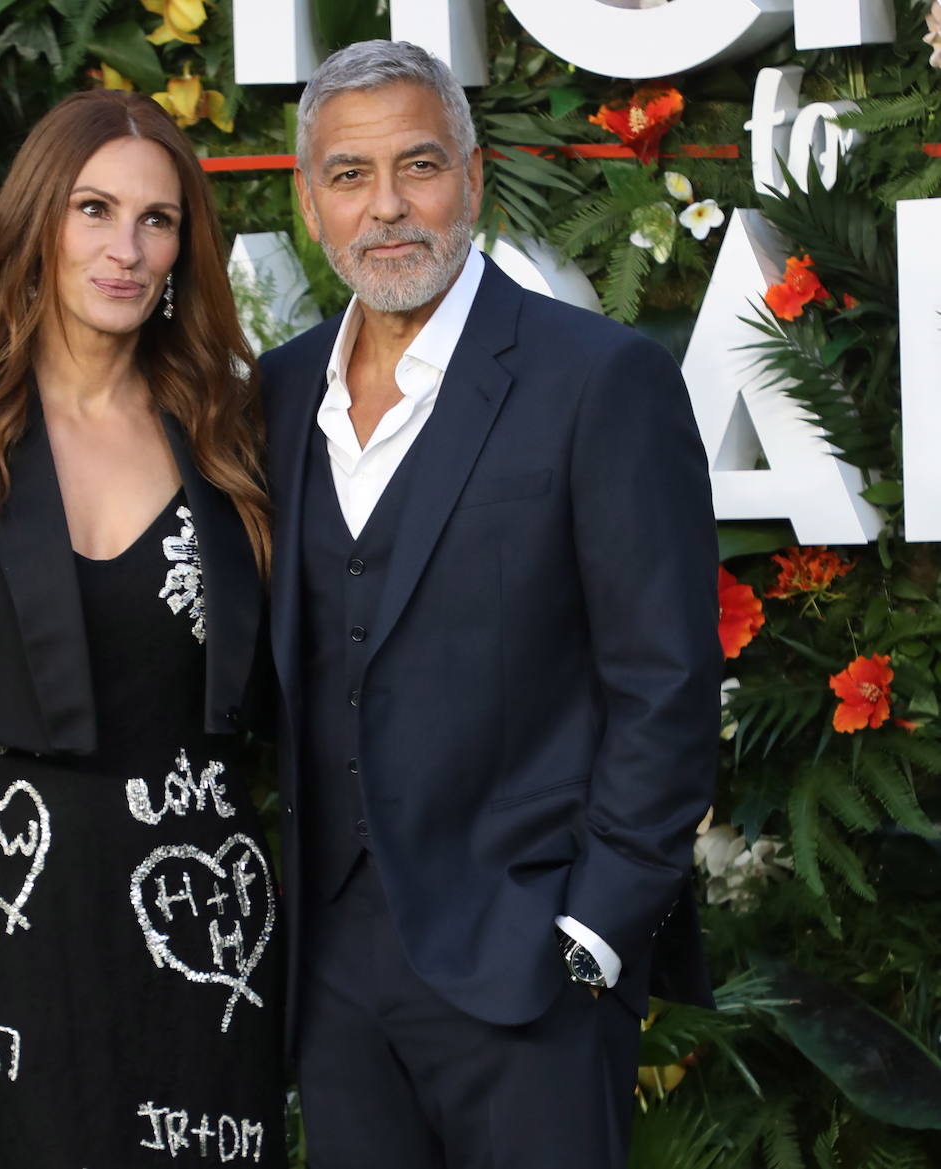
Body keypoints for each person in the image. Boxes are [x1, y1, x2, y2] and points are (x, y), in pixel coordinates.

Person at [259, 41, 721, 1169]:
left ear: (471, 177)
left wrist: (595, 934)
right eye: (351, 176)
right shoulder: (273, 395)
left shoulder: (596, 379)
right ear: (312, 201)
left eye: (417, 166)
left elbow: (666, 681)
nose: (387, 209)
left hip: (531, 964)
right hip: (328, 974)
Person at [0, 89, 285, 1168]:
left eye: (157, 219)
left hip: (204, 907)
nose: (125, 248)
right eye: (94, 209)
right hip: (4, 928)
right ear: (38, 220)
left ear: (182, 247)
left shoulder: (234, 432)